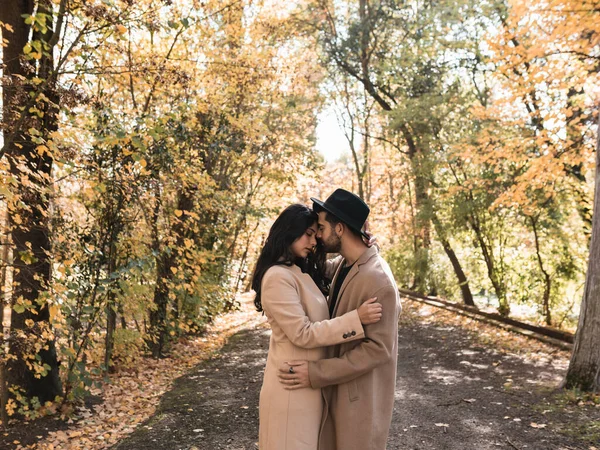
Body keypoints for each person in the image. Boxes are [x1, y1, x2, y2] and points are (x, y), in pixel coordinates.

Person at [278, 189, 402, 450]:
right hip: (337, 394)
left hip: (357, 403)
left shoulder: (379, 282)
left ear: (340, 229)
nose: (319, 236)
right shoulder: (347, 264)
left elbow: (378, 351)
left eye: (321, 228)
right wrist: (288, 244)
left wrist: (315, 373)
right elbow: (316, 268)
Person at [252, 203, 383, 450]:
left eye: (317, 232)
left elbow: (344, 266)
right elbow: (302, 333)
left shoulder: (300, 269)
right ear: (289, 231)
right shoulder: (277, 277)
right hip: (290, 389)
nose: (315, 241)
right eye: (309, 234)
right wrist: (357, 319)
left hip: (307, 387)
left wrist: (367, 245)